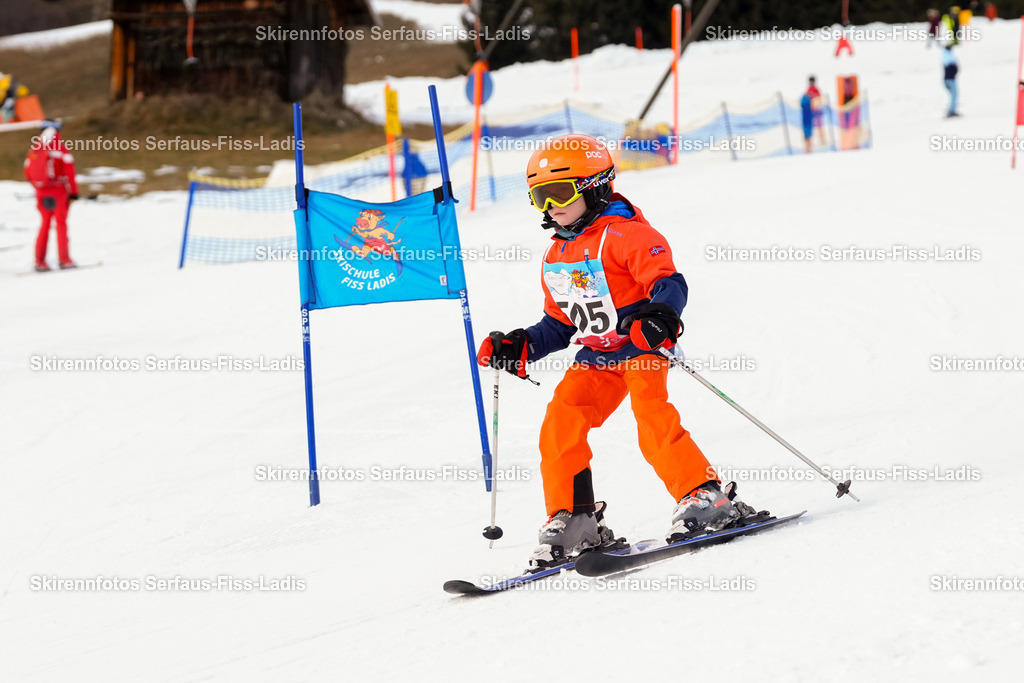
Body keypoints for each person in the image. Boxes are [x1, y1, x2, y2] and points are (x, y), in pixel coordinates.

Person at [476, 133, 756, 568]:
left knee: (651, 415)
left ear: (595, 186)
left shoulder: (629, 235)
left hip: (640, 346)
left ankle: (704, 495)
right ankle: (574, 517)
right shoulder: (556, 255)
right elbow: (560, 324)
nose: (550, 206)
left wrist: (660, 315)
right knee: (560, 423)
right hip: (596, 358)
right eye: (539, 197)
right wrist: (522, 345)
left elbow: (668, 282)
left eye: (559, 192)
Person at [24, 121, 79, 271]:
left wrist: (39, 188)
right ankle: (65, 260)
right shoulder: (60, 149)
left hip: (41, 193)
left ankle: (39, 261)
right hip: (59, 192)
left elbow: (28, 173)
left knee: (44, 225)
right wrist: (74, 192)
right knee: (61, 225)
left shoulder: (35, 148)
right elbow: (70, 172)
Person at [942, 46, 960, 117]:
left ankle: (951, 110)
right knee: (954, 96)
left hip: (947, 79)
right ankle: (951, 111)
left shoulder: (944, 57)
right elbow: (953, 67)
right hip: (950, 79)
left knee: (952, 96)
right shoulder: (949, 58)